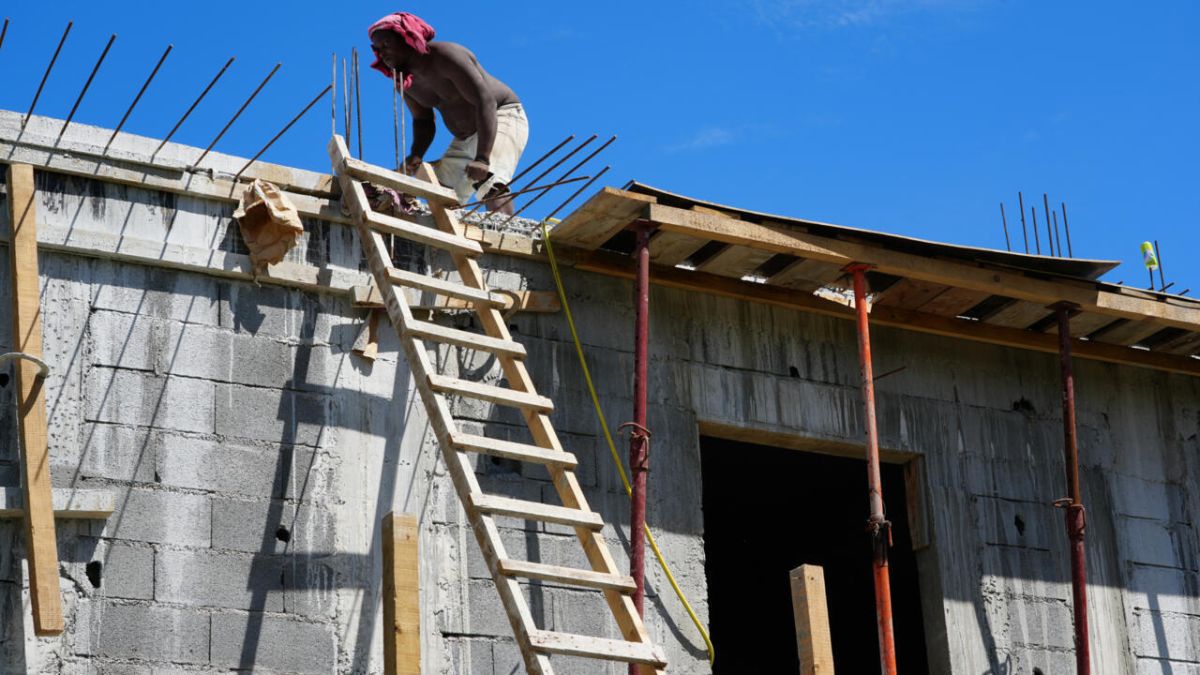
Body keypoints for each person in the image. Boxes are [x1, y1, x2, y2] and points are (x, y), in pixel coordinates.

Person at [368, 12, 528, 213]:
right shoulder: (404, 82)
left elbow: (484, 101)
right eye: (376, 49)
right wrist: (416, 154)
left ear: (407, 38)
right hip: (464, 138)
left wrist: (482, 158)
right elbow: (423, 119)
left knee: (488, 178)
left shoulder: (446, 56)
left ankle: (506, 230)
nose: (381, 53)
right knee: (441, 192)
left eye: (386, 45)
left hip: (501, 117)